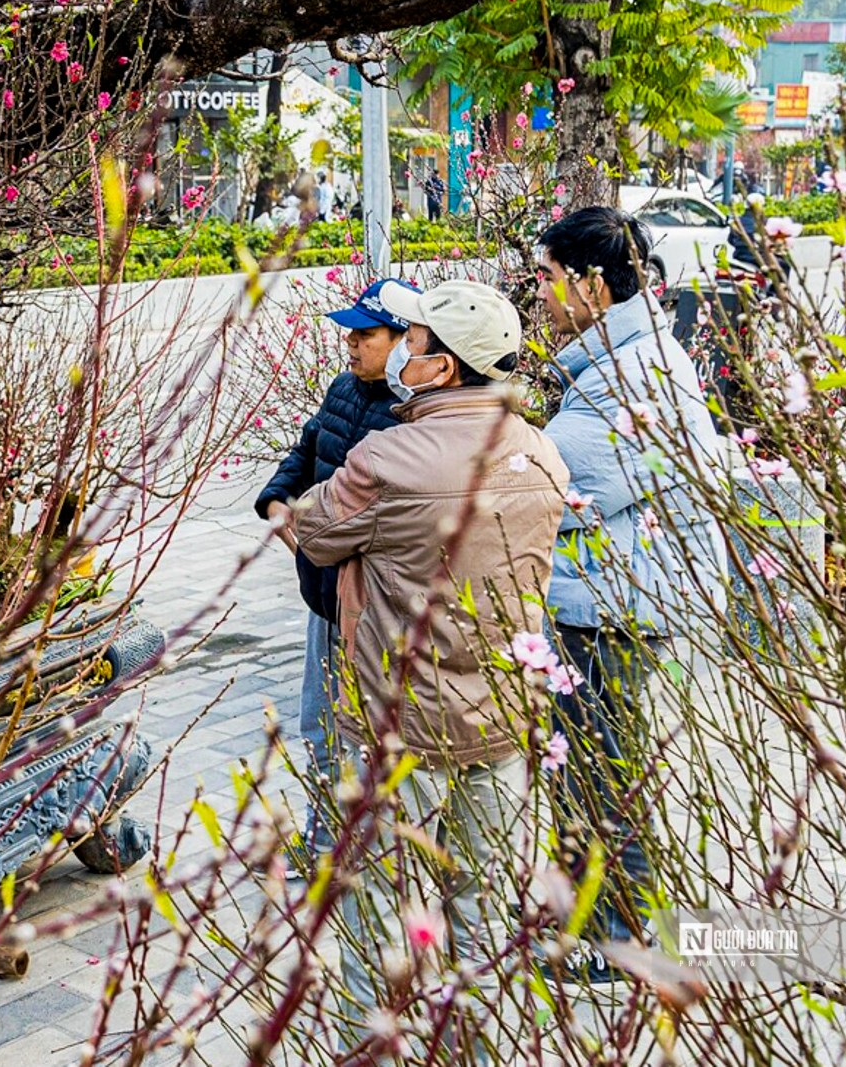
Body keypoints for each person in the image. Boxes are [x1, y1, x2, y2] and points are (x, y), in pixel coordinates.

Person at [292, 280, 569, 1004]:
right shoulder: (542, 453)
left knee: (381, 909)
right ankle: (482, 1039)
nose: (401, 352)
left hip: (403, 718)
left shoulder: (390, 459)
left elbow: (315, 531)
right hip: (504, 715)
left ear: (442, 367)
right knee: (486, 908)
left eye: (413, 342)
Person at [533, 206, 729, 958]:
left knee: (601, 774)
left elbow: (558, 480)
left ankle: (620, 934)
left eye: (548, 278)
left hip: (617, 604)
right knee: (593, 768)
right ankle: (596, 922)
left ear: (590, 286)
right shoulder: (623, 356)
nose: (540, 295)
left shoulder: (632, 370)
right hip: (613, 595)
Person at [256, 279, 413, 853]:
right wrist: (277, 501)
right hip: (322, 596)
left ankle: (366, 850)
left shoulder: (415, 415)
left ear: (405, 341)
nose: (351, 343)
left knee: (366, 736)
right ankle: (322, 839)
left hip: (372, 610)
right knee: (318, 727)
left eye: (366, 333)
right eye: (350, 331)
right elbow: (305, 450)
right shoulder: (344, 388)